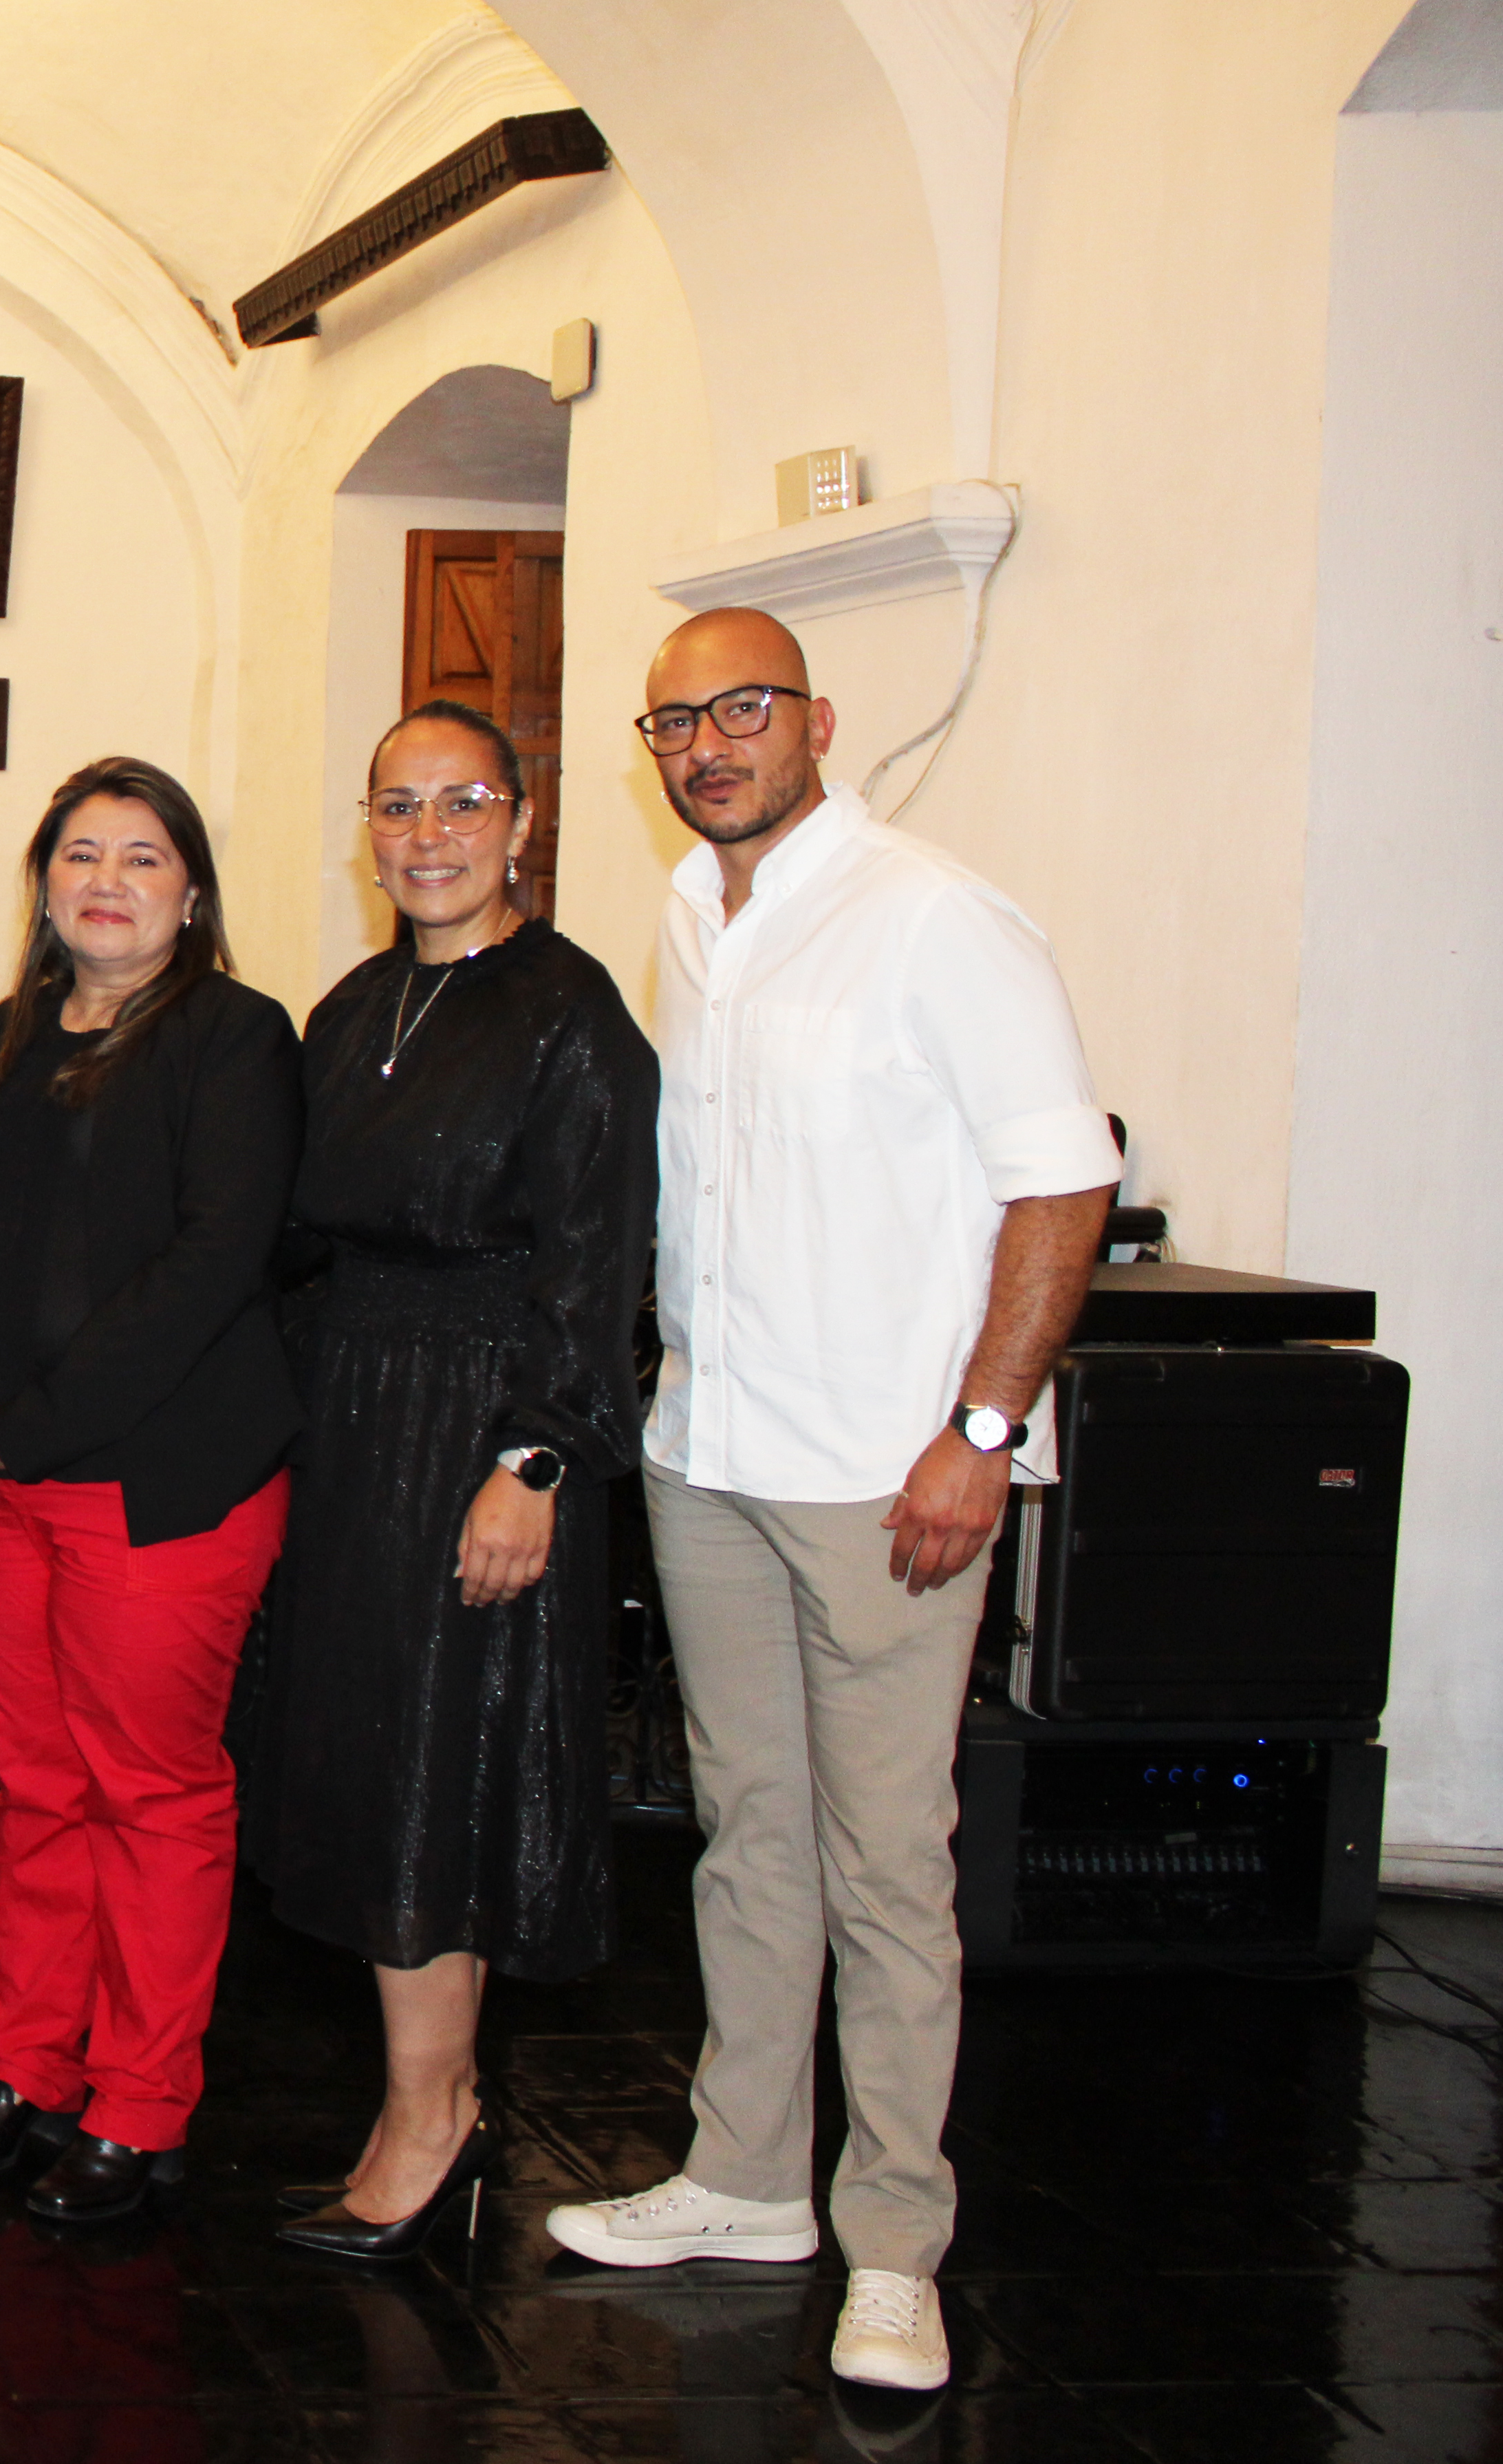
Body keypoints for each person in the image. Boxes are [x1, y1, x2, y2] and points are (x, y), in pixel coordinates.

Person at [542, 609, 1116, 2396]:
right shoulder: (697, 917)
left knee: (887, 1870)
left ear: (816, 722)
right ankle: (743, 2176)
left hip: (889, 1477)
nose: (708, 744)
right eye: (675, 723)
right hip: (713, 1454)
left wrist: (981, 1428)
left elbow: (1061, 1182)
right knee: (753, 1844)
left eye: (741, 709)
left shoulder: (937, 918)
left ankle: (894, 2244)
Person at [255, 702, 656, 2260]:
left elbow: (596, 1257)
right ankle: (437, 2096)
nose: (427, 834)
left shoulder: (570, 1014)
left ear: (520, 821)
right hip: (354, 1425)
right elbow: (290, 1236)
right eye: (397, 806)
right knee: (379, 1761)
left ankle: (429, 2118)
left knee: (442, 1772)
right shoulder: (352, 1007)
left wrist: (535, 1459)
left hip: (485, 1430)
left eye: (459, 802)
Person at [0, 758, 301, 2231]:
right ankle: (28, 2069)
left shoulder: (237, 1037)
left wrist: (50, 1419)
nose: (108, 879)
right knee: (37, 1787)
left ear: (191, 891)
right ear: (45, 882)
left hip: (157, 1481)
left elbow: (215, 1258)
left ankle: (140, 2103)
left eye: (143, 855)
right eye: (81, 853)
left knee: (153, 1793)